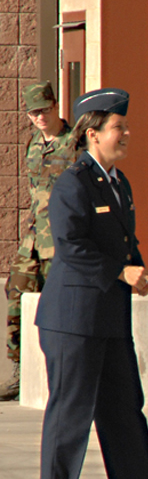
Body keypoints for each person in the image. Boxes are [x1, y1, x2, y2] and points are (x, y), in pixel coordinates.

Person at [35, 88, 148, 479]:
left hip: (108, 317)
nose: (125, 134)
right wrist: (122, 273)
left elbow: (123, 242)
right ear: (92, 134)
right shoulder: (73, 183)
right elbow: (71, 247)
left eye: (125, 127)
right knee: (70, 411)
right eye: (117, 128)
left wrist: (139, 269)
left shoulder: (118, 182)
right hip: (72, 320)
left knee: (125, 407)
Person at [2, 82, 76, 400]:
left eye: (44, 110)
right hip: (34, 237)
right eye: (33, 113)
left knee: (58, 309)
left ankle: (60, 376)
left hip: (60, 239)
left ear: (55, 106)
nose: (39, 118)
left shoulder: (74, 144)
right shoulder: (34, 143)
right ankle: (19, 369)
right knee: (16, 292)